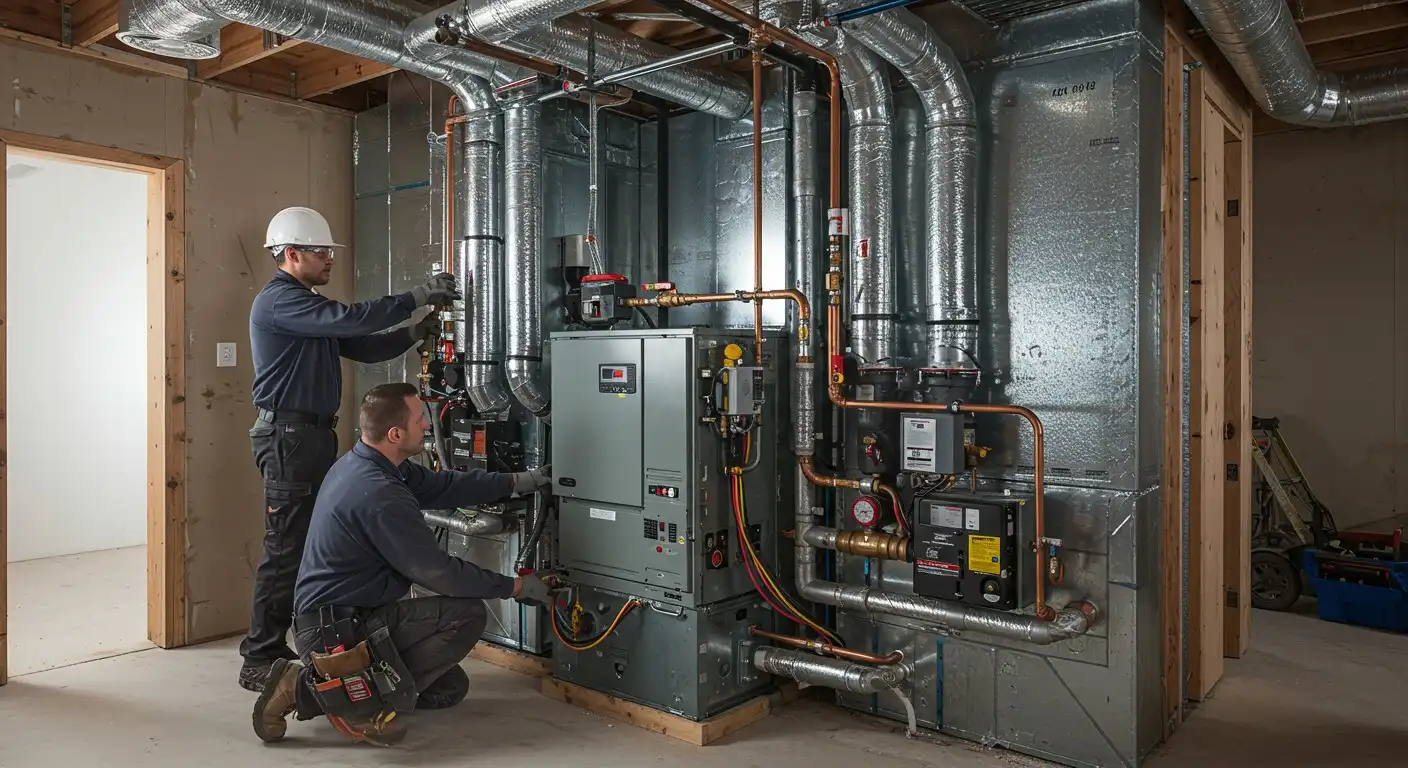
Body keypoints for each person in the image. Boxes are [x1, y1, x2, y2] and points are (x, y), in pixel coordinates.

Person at [251, 383, 555, 746]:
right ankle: (306, 688)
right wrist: (516, 586)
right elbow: (441, 573)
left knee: (448, 689)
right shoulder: (380, 494)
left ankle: (365, 687)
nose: (427, 425)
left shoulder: (370, 462)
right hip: (334, 632)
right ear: (395, 434)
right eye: (419, 419)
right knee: (467, 615)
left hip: (346, 615)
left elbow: (445, 486)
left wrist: (518, 482)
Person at [241, 206, 461, 692]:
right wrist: (416, 297)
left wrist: (411, 334)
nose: (329, 259)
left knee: (310, 543)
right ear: (291, 254)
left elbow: (360, 344)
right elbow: (353, 317)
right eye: (321, 252)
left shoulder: (306, 309)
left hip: (309, 436)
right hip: (288, 439)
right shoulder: (280, 303)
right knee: (286, 548)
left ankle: (305, 641)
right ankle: (259, 656)